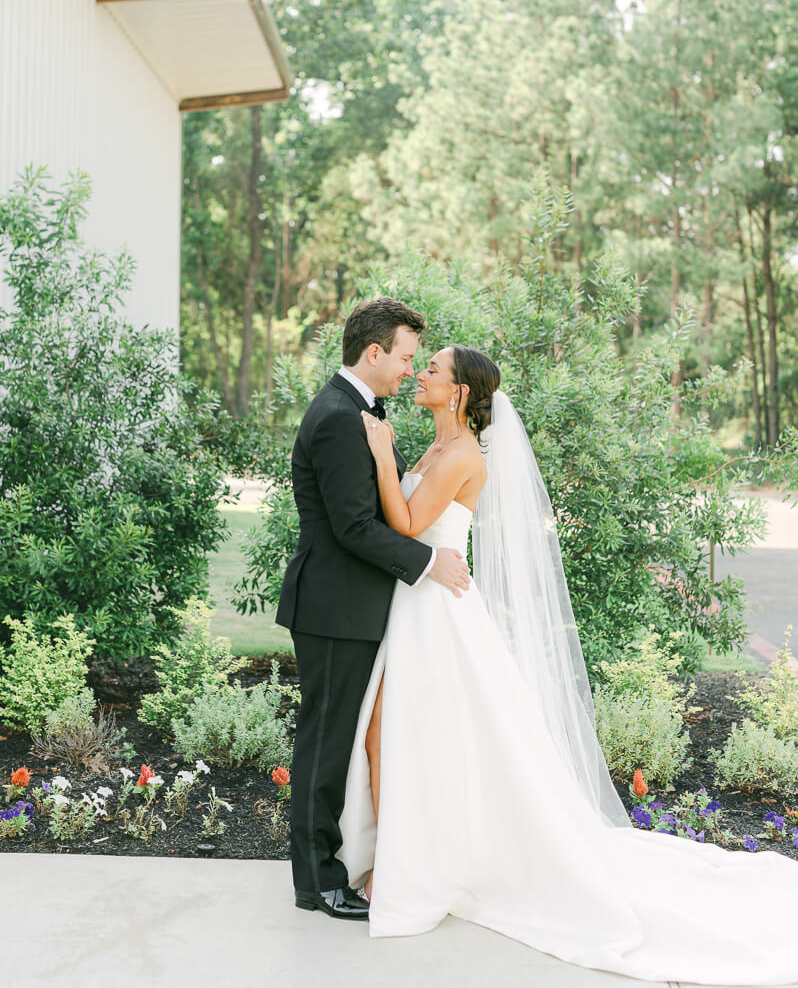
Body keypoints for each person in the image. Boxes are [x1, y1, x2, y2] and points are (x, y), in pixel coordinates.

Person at [336, 343, 798, 985]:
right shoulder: (438, 446)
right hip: (419, 607)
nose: (421, 375)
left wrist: (381, 456)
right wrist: (392, 457)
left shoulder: (464, 453)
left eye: (433, 369)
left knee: (407, 733)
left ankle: (407, 868)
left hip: (438, 614)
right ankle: (404, 856)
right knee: (396, 733)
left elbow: (411, 523)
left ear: (462, 391)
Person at [275, 298, 471, 920]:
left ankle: (331, 866)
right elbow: (353, 526)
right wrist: (426, 562)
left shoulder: (357, 410)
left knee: (337, 739)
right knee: (326, 741)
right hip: (335, 606)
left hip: (350, 605)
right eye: (407, 357)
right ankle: (318, 881)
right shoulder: (337, 416)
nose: (411, 370)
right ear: (375, 352)